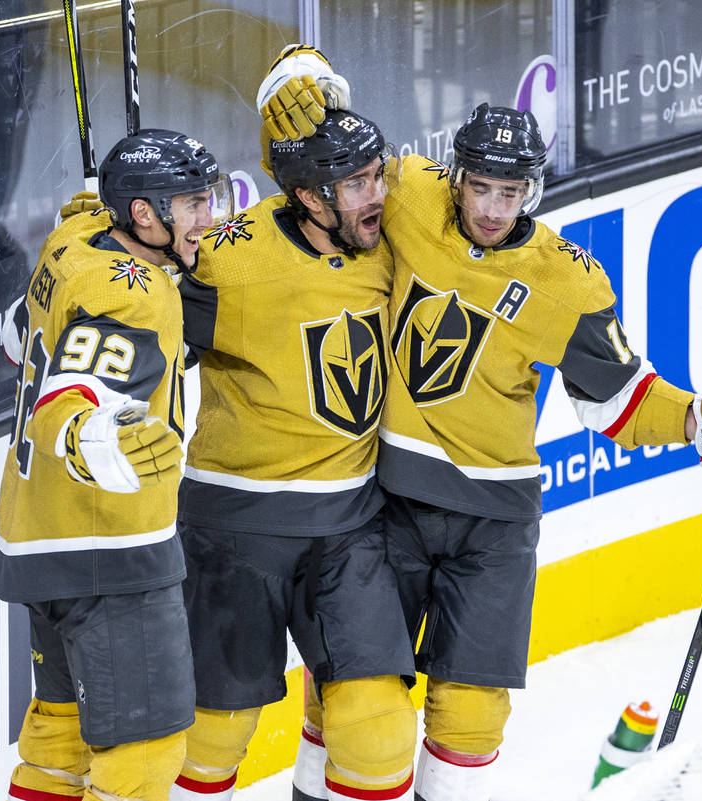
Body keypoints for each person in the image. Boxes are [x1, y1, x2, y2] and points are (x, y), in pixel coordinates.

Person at [259, 55, 702, 801]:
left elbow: (621, 401)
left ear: (533, 191)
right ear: (455, 176)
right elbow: (326, 165)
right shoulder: (408, 196)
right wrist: (304, 77)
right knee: (358, 705)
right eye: (480, 186)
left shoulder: (567, 280)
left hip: (494, 527)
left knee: (472, 718)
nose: (491, 207)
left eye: (509, 191)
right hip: (386, 503)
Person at [164, 108, 418, 801]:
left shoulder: (393, 242)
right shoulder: (230, 260)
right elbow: (125, 328)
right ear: (308, 196)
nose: (377, 196)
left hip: (349, 528)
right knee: (210, 735)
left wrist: (310, 72)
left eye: (377, 175)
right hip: (232, 534)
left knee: (379, 732)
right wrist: (108, 247)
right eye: (357, 183)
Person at [0, 129, 232, 801]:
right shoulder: (136, 293)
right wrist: (97, 435)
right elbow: (75, 395)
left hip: (39, 534)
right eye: (194, 203)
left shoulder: (70, 243)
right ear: (145, 215)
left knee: (60, 745)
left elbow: (80, 220)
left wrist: (100, 202)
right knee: (143, 761)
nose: (209, 218)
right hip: (110, 548)